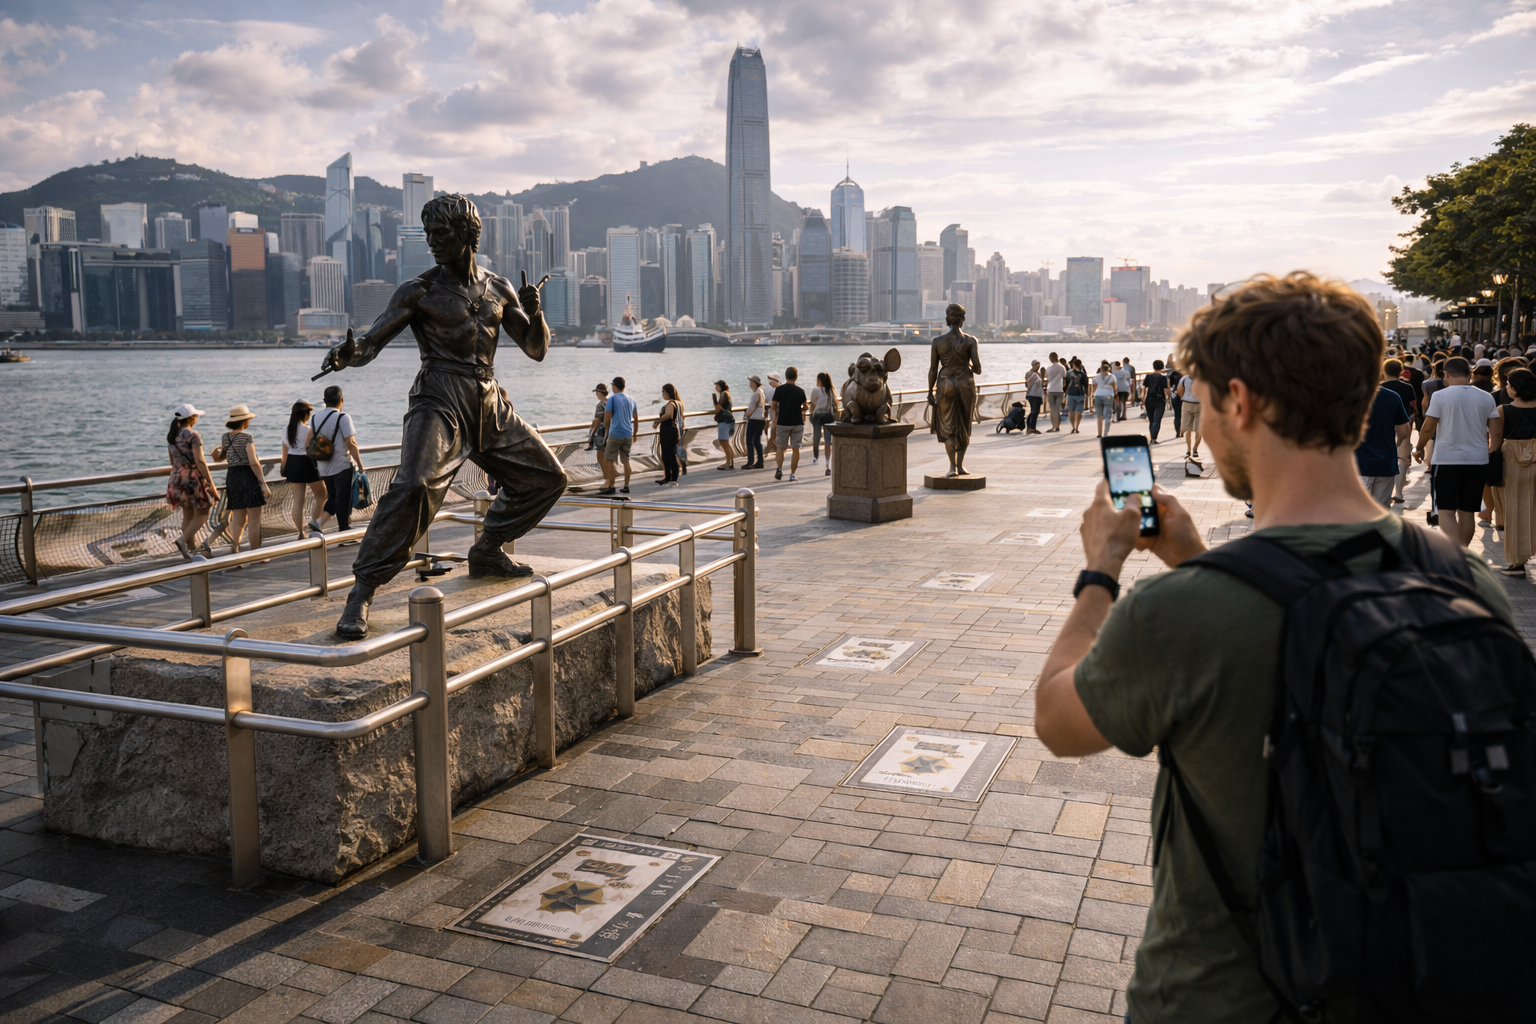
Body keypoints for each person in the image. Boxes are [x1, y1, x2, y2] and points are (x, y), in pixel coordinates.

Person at [1034, 272, 1513, 1024]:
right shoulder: (1465, 581)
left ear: (1241, 403)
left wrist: (1101, 569)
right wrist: (1200, 561)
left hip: (1222, 999)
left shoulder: (1182, 615)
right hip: (1416, 981)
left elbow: (1059, 722)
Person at [316, 193, 568, 639]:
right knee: (413, 485)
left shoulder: (498, 288)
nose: (431, 241)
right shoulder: (419, 290)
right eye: (428, 233)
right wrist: (349, 353)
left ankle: (489, 548)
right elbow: (372, 342)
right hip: (439, 398)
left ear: (468, 235)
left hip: (488, 399)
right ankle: (363, 589)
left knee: (549, 477)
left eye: (440, 233)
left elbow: (536, 349)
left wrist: (536, 313)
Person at [1414, 356, 1502, 547]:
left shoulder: (1440, 396)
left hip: (1447, 460)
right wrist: (1492, 453)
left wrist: (1419, 447)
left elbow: (1428, 428)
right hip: (1477, 460)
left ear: (1446, 374)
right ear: (1469, 373)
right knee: (1467, 511)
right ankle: (1464, 552)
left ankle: (1457, 554)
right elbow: (1495, 430)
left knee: (1445, 510)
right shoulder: (1486, 396)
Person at [1491, 367, 1536, 574]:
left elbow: (1496, 442)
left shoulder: (1503, 410)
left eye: (1508, 384)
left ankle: (1518, 562)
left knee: (1514, 508)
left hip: (1511, 460)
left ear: (1516, 388)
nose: (1506, 387)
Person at [216, 404, 271, 560]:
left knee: (239, 518)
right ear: (244, 421)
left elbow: (222, 457)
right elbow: (253, 462)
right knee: (254, 519)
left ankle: (235, 549)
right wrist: (262, 482)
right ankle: (256, 554)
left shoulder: (225, 437)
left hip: (232, 476)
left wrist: (215, 454)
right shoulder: (247, 438)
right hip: (247, 476)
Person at [165, 403, 218, 561]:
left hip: (176, 477)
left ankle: (192, 551)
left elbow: (172, 461)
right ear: (192, 418)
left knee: (187, 514)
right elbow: (200, 461)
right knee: (203, 513)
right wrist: (210, 482)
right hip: (192, 478)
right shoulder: (193, 435)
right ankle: (182, 541)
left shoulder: (171, 436)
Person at [307, 386, 363, 536]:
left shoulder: (314, 418)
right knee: (343, 500)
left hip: (323, 466)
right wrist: (361, 465)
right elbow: (351, 443)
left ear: (324, 401)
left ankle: (318, 523)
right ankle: (344, 533)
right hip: (341, 465)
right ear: (341, 400)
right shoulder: (343, 417)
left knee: (334, 497)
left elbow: (310, 441)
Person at [1355, 375, 1411, 506]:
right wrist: (1399, 441)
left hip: (1357, 465)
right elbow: (1404, 430)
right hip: (1385, 464)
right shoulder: (1392, 396)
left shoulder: (1346, 397)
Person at [280, 401, 325, 540]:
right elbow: (312, 450)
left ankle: (300, 533)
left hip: (292, 464)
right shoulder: (309, 429)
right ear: (305, 414)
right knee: (322, 495)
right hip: (307, 463)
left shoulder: (286, 429)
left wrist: (284, 469)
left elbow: (285, 452)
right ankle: (316, 525)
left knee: (298, 501)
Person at [1378, 359, 1418, 504]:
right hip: (1403, 422)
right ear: (1400, 371)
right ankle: (1399, 492)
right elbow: (1413, 406)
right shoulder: (1408, 387)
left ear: (1384, 371)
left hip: (1384, 426)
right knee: (1403, 458)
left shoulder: (1380, 388)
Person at [600, 375, 639, 495]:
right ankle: (626, 486)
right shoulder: (632, 400)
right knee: (626, 459)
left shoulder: (612, 399)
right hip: (628, 434)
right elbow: (636, 419)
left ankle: (611, 485)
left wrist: (606, 432)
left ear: (614, 386)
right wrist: (635, 433)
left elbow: (607, 418)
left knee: (608, 458)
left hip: (615, 433)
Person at [771, 366, 808, 481]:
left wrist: (775, 419)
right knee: (796, 449)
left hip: (783, 422)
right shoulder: (800, 391)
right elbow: (805, 406)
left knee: (780, 447)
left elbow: (773, 406)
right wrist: (800, 409)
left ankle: (779, 469)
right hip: (797, 422)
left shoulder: (779, 390)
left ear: (786, 376)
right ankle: (792, 474)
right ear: (796, 377)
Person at [810, 371, 838, 473]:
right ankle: (827, 464)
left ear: (820, 381)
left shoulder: (816, 390)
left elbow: (813, 401)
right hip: (828, 417)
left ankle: (816, 456)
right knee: (827, 441)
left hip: (818, 416)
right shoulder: (831, 391)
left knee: (816, 438)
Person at [656, 383, 683, 487]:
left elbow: (669, 415)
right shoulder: (676, 403)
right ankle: (667, 478)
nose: (662, 394)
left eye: (663, 391)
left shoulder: (671, 404)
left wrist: (658, 420)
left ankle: (672, 479)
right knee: (669, 455)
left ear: (667, 392)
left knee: (668, 456)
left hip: (669, 431)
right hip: (668, 430)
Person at [1176, 367, 1202, 460]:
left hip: (1187, 403)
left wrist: (1186, 396)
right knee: (1198, 429)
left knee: (1188, 429)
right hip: (1199, 404)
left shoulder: (1184, 379)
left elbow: (1179, 391)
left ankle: (1189, 449)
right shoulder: (1204, 379)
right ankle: (1194, 449)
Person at [743, 375, 768, 469]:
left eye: (751, 382)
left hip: (754, 419)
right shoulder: (761, 392)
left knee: (749, 440)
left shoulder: (755, 394)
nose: (750, 383)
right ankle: (760, 462)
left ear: (754, 383)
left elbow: (752, 407)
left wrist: (746, 415)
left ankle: (750, 461)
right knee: (757, 440)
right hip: (760, 419)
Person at [712, 380, 737, 470]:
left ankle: (728, 462)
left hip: (725, 420)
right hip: (729, 419)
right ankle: (730, 461)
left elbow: (719, 408)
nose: (716, 388)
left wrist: (714, 402)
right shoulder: (727, 393)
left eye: (717, 386)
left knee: (723, 441)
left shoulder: (724, 394)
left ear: (721, 386)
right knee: (725, 441)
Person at [1142, 360, 1169, 442]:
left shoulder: (1148, 376)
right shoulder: (1164, 378)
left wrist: (1142, 399)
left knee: (1151, 420)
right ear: (1162, 367)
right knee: (1157, 420)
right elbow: (1167, 390)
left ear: (1153, 366)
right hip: (1160, 401)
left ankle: (1152, 438)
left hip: (1149, 400)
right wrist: (1168, 399)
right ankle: (1154, 438)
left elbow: (1144, 388)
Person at [1091, 360, 1116, 437]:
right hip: (1108, 396)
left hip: (1098, 395)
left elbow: (1094, 387)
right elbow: (1115, 388)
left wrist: (1092, 395)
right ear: (1108, 369)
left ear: (1101, 369)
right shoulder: (1112, 377)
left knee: (1099, 415)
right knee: (1108, 416)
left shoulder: (1096, 377)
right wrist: (1115, 396)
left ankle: (1099, 433)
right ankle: (1105, 433)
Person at [1064, 357, 1088, 433]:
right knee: (1079, 412)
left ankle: (1073, 427)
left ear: (1074, 365)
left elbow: (1066, 384)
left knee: (1071, 411)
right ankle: (1077, 427)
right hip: (1080, 394)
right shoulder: (1083, 374)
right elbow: (1086, 385)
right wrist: (1086, 395)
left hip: (1071, 393)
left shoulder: (1069, 373)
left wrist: (1064, 394)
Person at [1045, 351, 1066, 431]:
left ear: (1051, 358)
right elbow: (1064, 377)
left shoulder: (1049, 368)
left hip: (1051, 390)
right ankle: (1057, 426)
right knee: (1057, 409)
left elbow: (1047, 378)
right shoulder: (1062, 367)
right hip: (1059, 390)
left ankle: (1053, 426)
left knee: (1052, 409)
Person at [1024, 360, 1044, 434]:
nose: (1038, 367)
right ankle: (1029, 427)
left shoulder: (1037, 374)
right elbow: (1027, 384)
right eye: (1037, 366)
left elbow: (1041, 383)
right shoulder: (1029, 373)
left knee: (1036, 412)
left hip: (1038, 394)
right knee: (1033, 411)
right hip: (1032, 394)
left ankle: (1033, 427)